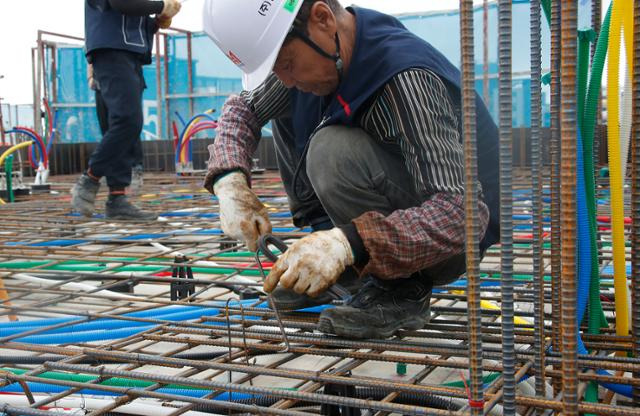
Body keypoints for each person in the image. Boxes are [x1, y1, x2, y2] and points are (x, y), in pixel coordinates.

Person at [202, 0, 500, 339]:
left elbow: (463, 215)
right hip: (398, 206)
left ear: (323, 18)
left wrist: (345, 244)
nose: (285, 79)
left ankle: (402, 288)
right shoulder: (324, 54)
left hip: (450, 241)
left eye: (287, 63)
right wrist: (230, 181)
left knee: (331, 150)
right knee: (289, 104)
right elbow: (243, 108)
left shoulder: (403, 77)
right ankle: (348, 267)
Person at [72, 0, 181, 220]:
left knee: (124, 126)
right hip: (112, 52)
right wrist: (160, 6)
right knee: (127, 121)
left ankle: (117, 198)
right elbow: (123, 4)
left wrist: (158, 21)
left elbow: (136, 21)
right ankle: (90, 179)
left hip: (126, 55)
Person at [87, 63, 144, 194]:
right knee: (108, 128)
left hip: (125, 79)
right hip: (102, 83)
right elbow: (90, 54)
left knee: (128, 125)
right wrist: (90, 77)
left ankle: (135, 168)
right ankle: (112, 177)